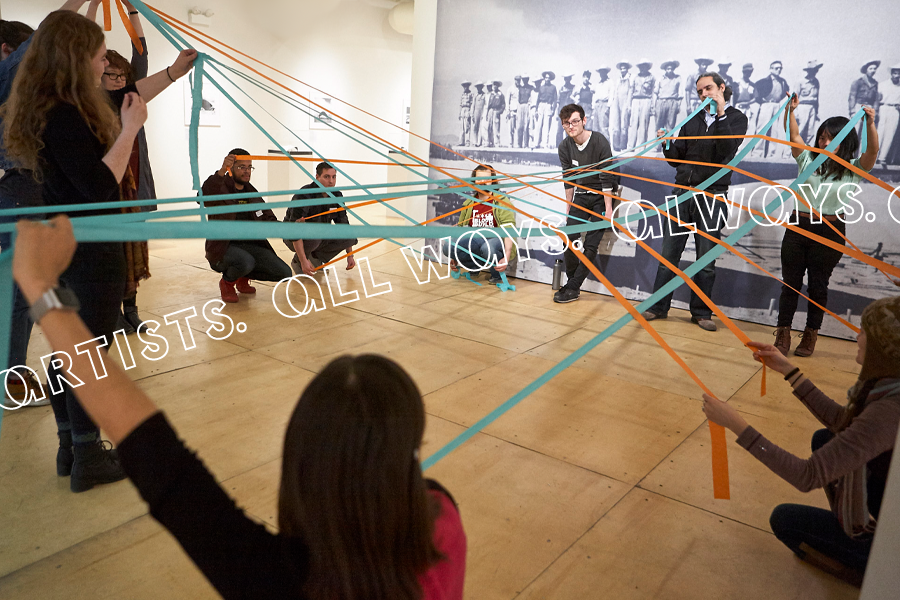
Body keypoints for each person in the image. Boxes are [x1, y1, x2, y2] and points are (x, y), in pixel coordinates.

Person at [11, 215, 467, 599]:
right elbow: (158, 460)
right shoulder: (441, 520)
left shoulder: (270, 577)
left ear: (300, 463)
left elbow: (154, 453)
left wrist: (37, 283)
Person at [1, 9, 196, 491]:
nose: (101, 60)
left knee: (73, 349)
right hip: (88, 249)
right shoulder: (66, 115)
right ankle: (88, 453)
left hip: (66, 246)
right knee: (89, 352)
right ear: (75, 57)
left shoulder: (53, 105)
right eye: (95, 52)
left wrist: (170, 74)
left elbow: (125, 95)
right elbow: (95, 188)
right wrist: (130, 131)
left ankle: (73, 445)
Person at [702, 294, 900, 587]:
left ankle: (878, 573)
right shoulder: (888, 385)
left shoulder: (889, 409)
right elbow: (843, 422)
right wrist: (787, 370)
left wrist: (736, 424)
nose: (857, 337)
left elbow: (806, 476)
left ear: (883, 347)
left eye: (864, 332)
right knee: (825, 438)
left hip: (893, 550)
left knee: (785, 521)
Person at [641, 73, 748, 331]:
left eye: (708, 88)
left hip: (712, 197)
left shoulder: (737, 119)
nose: (703, 95)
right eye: (700, 91)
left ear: (722, 88)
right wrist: (668, 144)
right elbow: (678, 159)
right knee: (668, 255)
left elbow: (727, 151)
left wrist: (720, 113)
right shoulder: (693, 119)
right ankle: (658, 307)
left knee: (705, 260)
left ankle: (701, 313)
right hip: (682, 195)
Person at [773, 99, 878, 357]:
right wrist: (791, 111)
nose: (823, 142)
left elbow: (872, 153)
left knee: (818, 286)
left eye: (831, 138)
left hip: (830, 231)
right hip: (798, 228)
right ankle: (783, 333)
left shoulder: (853, 169)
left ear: (845, 141)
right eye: (821, 137)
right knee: (791, 284)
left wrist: (871, 124)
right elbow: (795, 135)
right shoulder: (807, 158)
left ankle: (810, 335)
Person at [90, 1, 157, 336]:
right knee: (113, 255)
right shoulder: (91, 105)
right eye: (110, 74)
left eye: (122, 75)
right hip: (108, 190)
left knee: (134, 252)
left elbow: (141, 54)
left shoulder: (132, 98)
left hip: (135, 187)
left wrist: (132, 11)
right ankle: (113, 311)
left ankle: (131, 310)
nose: (117, 80)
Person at [201, 150, 291, 302]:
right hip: (222, 248)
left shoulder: (251, 193)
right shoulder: (220, 189)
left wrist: (289, 227)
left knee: (284, 273)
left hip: (249, 246)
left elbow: (268, 219)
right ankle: (228, 282)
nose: (247, 171)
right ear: (231, 168)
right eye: (242, 167)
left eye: (249, 167)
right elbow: (202, 197)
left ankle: (243, 276)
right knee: (245, 261)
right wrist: (221, 171)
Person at [554, 103, 617, 304]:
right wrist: (568, 209)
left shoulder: (599, 141)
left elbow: (607, 179)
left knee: (591, 243)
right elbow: (569, 179)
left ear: (584, 121)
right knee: (569, 235)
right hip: (581, 195)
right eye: (566, 123)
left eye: (574, 122)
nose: (571, 126)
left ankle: (572, 287)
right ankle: (573, 283)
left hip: (602, 195)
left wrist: (608, 210)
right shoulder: (564, 146)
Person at [442, 164, 517, 284]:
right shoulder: (468, 203)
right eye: (479, 179)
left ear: (492, 181)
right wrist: (454, 256)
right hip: (475, 238)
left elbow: (508, 229)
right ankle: (474, 267)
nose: (482, 182)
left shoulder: (501, 201)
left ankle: (497, 275)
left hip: (496, 238)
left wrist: (507, 255)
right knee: (448, 246)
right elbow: (460, 230)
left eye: (486, 179)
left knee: (487, 248)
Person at [283, 162, 358, 277]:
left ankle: (315, 258)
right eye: (326, 177)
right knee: (316, 234)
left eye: (334, 177)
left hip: (318, 235)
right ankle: (298, 261)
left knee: (349, 236)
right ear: (317, 177)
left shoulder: (336, 196)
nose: (331, 181)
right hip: (293, 236)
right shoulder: (304, 196)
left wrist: (350, 255)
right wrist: (303, 261)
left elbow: (343, 224)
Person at [754, 61, 790, 158]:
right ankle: (757, 153)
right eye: (776, 68)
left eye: (780, 68)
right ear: (771, 69)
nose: (778, 70)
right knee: (762, 129)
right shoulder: (763, 81)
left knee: (774, 131)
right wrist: (761, 100)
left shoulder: (782, 82)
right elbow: (757, 91)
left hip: (776, 106)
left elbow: (785, 92)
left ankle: (771, 154)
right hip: (766, 105)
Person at [627, 60, 656, 151]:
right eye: (641, 66)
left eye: (644, 66)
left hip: (646, 100)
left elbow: (653, 92)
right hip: (635, 100)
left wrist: (652, 105)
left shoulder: (651, 78)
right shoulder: (635, 77)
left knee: (644, 123)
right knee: (633, 123)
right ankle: (631, 146)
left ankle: (641, 146)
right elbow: (631, 91)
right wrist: (629, 104)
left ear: (647, 67)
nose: (642, 68)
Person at [849, 61, 880, 138]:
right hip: (859, 106)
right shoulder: (858, 82)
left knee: (866, 133)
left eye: (874, 69)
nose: (873, 70)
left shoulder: (875, 84)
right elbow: (852, 97)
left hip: (869, 108)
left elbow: (876, 99)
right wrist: (852, 111)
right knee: (855, 130)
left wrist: (875, 112)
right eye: (870, 68)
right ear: (866, 70)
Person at [795, 60, 823, 145]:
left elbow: (817, 98)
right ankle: (788, 153)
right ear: (809, 71)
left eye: (816, 70)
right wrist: (794, 111)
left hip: (812, 107)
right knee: (800, 129)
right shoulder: (800, 81)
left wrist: (816, 112)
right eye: (813, 70)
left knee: (810, 131)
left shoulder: (816, 82)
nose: (815, 72)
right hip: (802, 106)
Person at [877, 64, 900, 166]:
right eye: (895, 73)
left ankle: (882, 158)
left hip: (895, 110)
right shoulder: (883, 85)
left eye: (899, 74)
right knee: (879, 132)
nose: (897, 76)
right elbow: (877, 99)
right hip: (883, 108)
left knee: (890, 133)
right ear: (891, 74)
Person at [609, 61, 633, 151]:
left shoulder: (630, 78)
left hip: (625, 102)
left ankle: (623, 145)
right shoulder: (618, 79)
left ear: (627, 69)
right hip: (617, 102)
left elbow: (630, 92)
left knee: (624, 124)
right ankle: (616, 146)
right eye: (621, 68)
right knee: (616, 124)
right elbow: (615, 91)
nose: (623, 70)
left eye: (624, 68)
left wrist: (629, 105)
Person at [656, 60, 682, 133]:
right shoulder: (660, 78)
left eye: (671, 69)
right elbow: (655, 92)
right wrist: (654, 106)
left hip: (672, 102)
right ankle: (659, 143)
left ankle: (668, 143)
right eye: (668, 69)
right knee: (659, 125)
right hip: (661, 101)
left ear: (674, 69)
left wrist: (678, 105)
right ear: (665, 69)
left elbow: (680, 94)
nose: (670, 71)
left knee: (670, 125)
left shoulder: (678, 78)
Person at [535, 71, 558, 149]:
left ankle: (545, 143)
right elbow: (538, 99)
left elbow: (555, 99)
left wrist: (553, 109)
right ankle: (536, 143)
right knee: (538, 125)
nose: (547, 79)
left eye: (548, 78)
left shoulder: (553, 87)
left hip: (548, 105)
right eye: (545, 77)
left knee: (546, 125)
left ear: (550, 79)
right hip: (541, 105)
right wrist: (536, 109)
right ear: (544, 78)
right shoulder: (541, 87)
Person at [592, 66, 612, 140]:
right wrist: (594, 106)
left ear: (606, 72)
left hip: (604, 104)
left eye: (603, 72)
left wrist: (608, 106)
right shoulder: (598, 84)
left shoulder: (610, 82)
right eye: (600, 72)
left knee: (603, 126)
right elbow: (595, 95)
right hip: (597, 104)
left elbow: (611, 95)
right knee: (596, 127)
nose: (601, 73)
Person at [515, 74, 534, 148]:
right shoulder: (520, 88)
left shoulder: (531, 88)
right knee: (520, 126)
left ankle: (526, 144)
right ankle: (519, 144)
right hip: (521, 106)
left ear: (528, 79)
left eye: (526, 79)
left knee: (526, 125)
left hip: (527, 106)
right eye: (523, 79)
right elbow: (518, 99)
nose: (524, 80)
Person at [486, 79, 505, 148]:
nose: (494, 86)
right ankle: (489, 142)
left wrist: (499, 112)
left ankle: (497, 143)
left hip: (496, 111)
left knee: (496, 128)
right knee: (489, 127)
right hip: (491, 111)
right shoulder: (491, 94)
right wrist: (487, 113)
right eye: (493, 85)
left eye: (496, 85)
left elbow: (503, 105)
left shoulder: (500, 94)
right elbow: (488, 104)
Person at [506, 75, 520, 147]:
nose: (518, 81)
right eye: (517, 80)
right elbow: (507, 101)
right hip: (512, 110)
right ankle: (510, 143)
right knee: (510, 129)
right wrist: (507, 111)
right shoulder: (510, 89)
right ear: (514, 80)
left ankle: (517, 143)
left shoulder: (521, 88)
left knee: (517, 128)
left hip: (519, 111)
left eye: (519, 80)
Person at [471, 82, 486, 147]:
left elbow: (485, 105)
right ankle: (475, 141)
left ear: (482, 87)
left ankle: (480, 142)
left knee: (481, 127)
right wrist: (472, 114)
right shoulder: (475, 95)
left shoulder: (484, 95)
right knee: (475, 127)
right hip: (476, 112)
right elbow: (473, 105)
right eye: (477, 87)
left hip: (482, 112)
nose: (478, 88)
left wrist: (484, 114)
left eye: (479, 87)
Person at [458, 80, 472, 146]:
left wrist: (470, 112)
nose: (465, 87)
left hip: (467, 109)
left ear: (468, 86)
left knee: (467, 126)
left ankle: (467, 142)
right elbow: (460, 104)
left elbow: (472, 104)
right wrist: (459, 113)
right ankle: (461, 141)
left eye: (466, 86)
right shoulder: (462, 94)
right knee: (462, 127)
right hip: (463, 110)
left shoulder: (470, 94)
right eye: (464, 86)